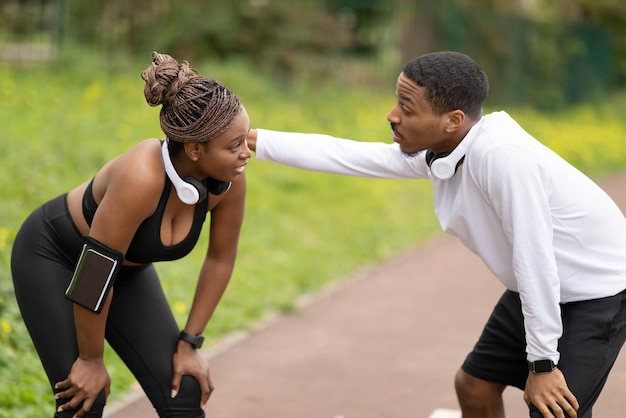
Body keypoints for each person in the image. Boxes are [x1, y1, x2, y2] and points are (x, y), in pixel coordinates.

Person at [244, 51, 626, 418]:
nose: (392, 116)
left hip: (596, 292)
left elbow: (535, 260)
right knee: (475, 385)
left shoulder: (502, 158)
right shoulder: (449, 148)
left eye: (407, 109)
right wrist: (253, 139)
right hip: (547, 287)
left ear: (452, 119)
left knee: (552, 409)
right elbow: (355, 156)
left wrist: (542, 364)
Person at [10, 51, 251, 418]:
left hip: (123, 271)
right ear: (195, 148)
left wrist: (189, 343)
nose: (246, 153)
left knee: (183, 390)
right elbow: (94, 275)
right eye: (234, 145)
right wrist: (91, 359)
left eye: (245, 140)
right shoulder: (141, 175)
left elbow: (220, 257)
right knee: (84, 400)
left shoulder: (230, 182)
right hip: (55, 255)